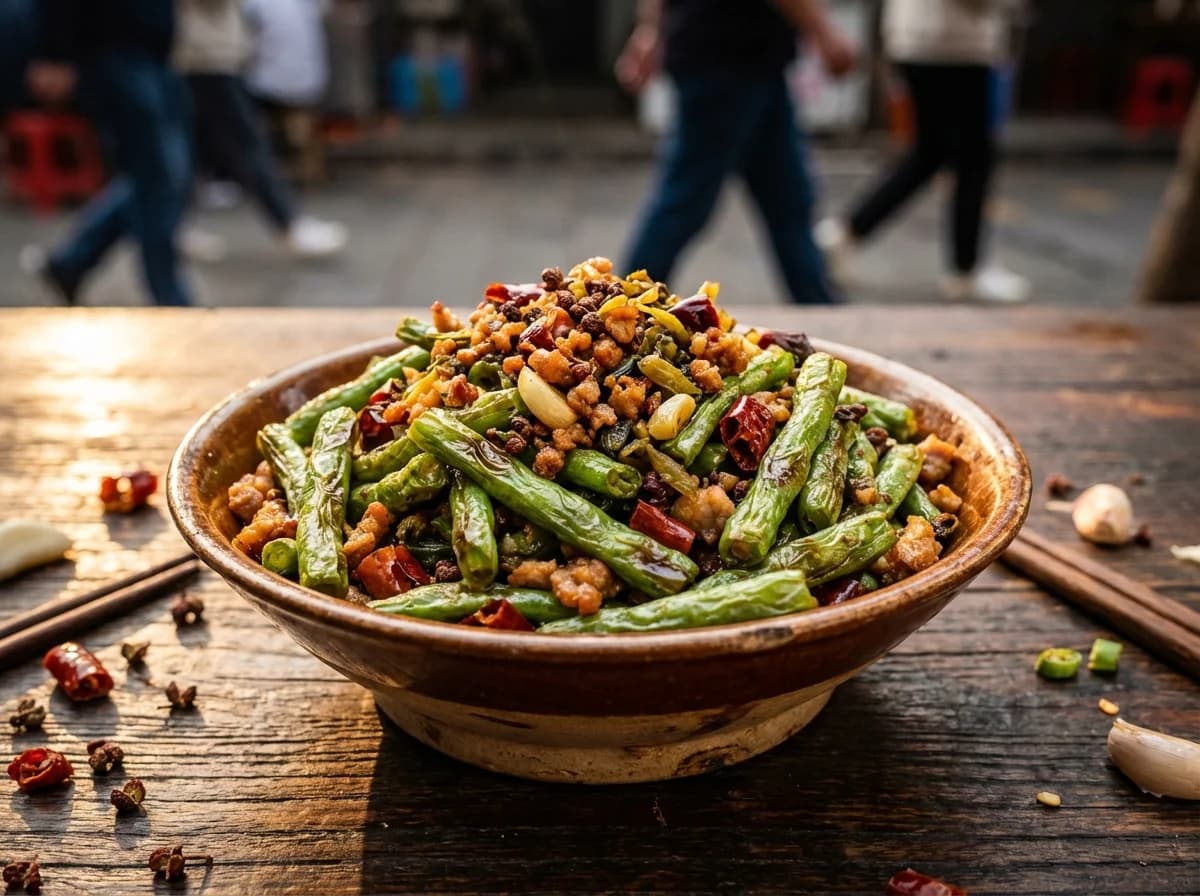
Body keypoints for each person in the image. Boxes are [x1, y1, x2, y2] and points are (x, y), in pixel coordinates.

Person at [617, 0, 855, 305]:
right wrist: (825, 33)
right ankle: (621, 309)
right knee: (686, 202)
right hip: (728, 58)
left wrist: (651, 27)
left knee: (788, 198)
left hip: (746, 58)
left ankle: (821, 307)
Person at [816, 0, 1029, 303]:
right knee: (973, 158)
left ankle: (844, 233)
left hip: (929, 40)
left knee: (930, 155)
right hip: (951, 45)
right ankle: (965, 271)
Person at [23, 0, 194, 306]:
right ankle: (169, 298)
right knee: (158, 178)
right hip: (115, 49)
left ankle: (71, 261)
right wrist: (54, 53)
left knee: (161, 177)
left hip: (156, 53)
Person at [175, 0, 346, 258]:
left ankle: (175, 226)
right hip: (207, 56)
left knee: (189, 145)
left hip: (209, 54)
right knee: (245, 142)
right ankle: (287, 223)